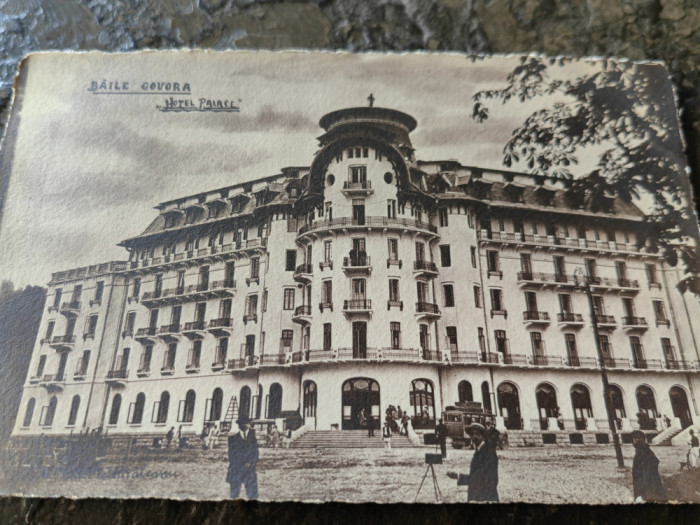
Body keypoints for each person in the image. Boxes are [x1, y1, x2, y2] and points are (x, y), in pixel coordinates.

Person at [447, 423, 499, 502]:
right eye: (472, 434)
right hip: (478, 496)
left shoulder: (488, 452)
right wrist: (458, 476)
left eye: (477, 434)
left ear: (483, 436)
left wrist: (460, 477)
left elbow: (487, 479)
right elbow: (477, 475)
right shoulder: (479, 450)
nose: (474, 437)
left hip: (485, 497)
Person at [226, 416, 259, 499]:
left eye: (248, 423)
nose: (248, 425)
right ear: (241, 425)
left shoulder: (252, 437)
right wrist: (241, 464)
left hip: (250, 470)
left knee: (252, 495)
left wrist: (250, 463)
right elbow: (231, 455)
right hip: (236, 469)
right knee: (234, 495)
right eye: (246, 423)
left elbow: (255, 453)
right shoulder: (232, 438)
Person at [631, 430, 665, 502]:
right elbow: (656, 460)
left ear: (636, 439)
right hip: (649, 474)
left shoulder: (640, 448)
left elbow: (652, 461)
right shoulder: (644, 447)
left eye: (634, 439)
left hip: (644, 475)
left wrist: (641, 470)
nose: (633, 441)